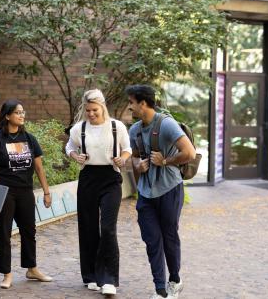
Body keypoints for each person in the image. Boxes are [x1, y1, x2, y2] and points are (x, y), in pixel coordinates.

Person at [125, 85, 196, 299]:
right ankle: (160, 289)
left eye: (131, 102)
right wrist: (137, 165)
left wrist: (165, 161)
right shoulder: (134, 130)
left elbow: (190, 153)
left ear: (143, 103)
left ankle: (174, 280)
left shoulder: (166, 124)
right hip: (146, 194)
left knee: (169, 236)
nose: (130, 107)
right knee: (151, 239)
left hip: (170, 190)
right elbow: (134, 158)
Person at [65, 89, 132, 296]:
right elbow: (69, 147)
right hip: (88, 179)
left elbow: (127, 148)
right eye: (87, 110)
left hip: (110, 179)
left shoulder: (116, 126)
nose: (91, 114)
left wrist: (123, 158)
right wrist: (75, 156)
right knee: (88, 228)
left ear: (102, 107)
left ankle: (110, 279)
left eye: (94, 110)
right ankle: (91, 276)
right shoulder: (79, 129)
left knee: (108, 228)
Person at [0, 99, 53, 289]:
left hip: (25, 192)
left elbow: (39, 167)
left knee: (29, 231)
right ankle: (7, 274)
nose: (22, 115)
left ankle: (32, 268)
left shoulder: (29, 138)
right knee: (4, 234)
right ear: (7, 116)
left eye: (23, 112)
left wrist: (46, 191)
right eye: (17, 112)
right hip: (3, 192)